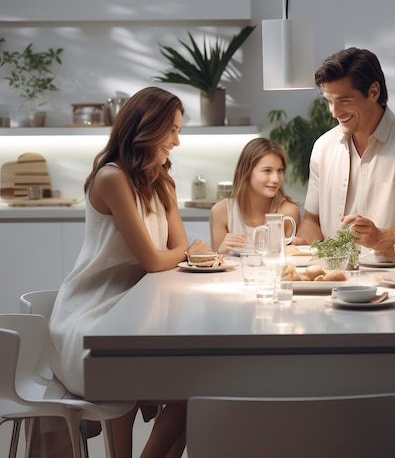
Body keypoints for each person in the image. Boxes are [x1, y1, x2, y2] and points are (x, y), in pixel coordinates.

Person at [49, 86, 211, 458]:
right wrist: (188, 251)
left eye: (179, 131)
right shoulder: (112, 178)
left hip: (137, 307)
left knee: (199, 393)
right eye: (171, 130)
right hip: (93, 313)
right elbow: (157, 259)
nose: (176, 141)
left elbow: (177, 251)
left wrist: (184, 251)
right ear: (146, 127)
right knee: (187, 392)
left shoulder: (162, 182)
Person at [293, 47, 395, 249]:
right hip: (334, 277)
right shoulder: (323, 147)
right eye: (329, 102)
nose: (334, 112)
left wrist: (381, 238)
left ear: (373, 92)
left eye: (344, 100)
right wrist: (302, 244)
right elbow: (312, 220)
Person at [210, 137, 300, 254]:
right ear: (247, 172)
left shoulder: (288, 212)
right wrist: (220, 252)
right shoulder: (221, 212)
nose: (276, 179)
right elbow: (215, 266)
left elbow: (289, 265)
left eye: (280, 170)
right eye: (267, 171)